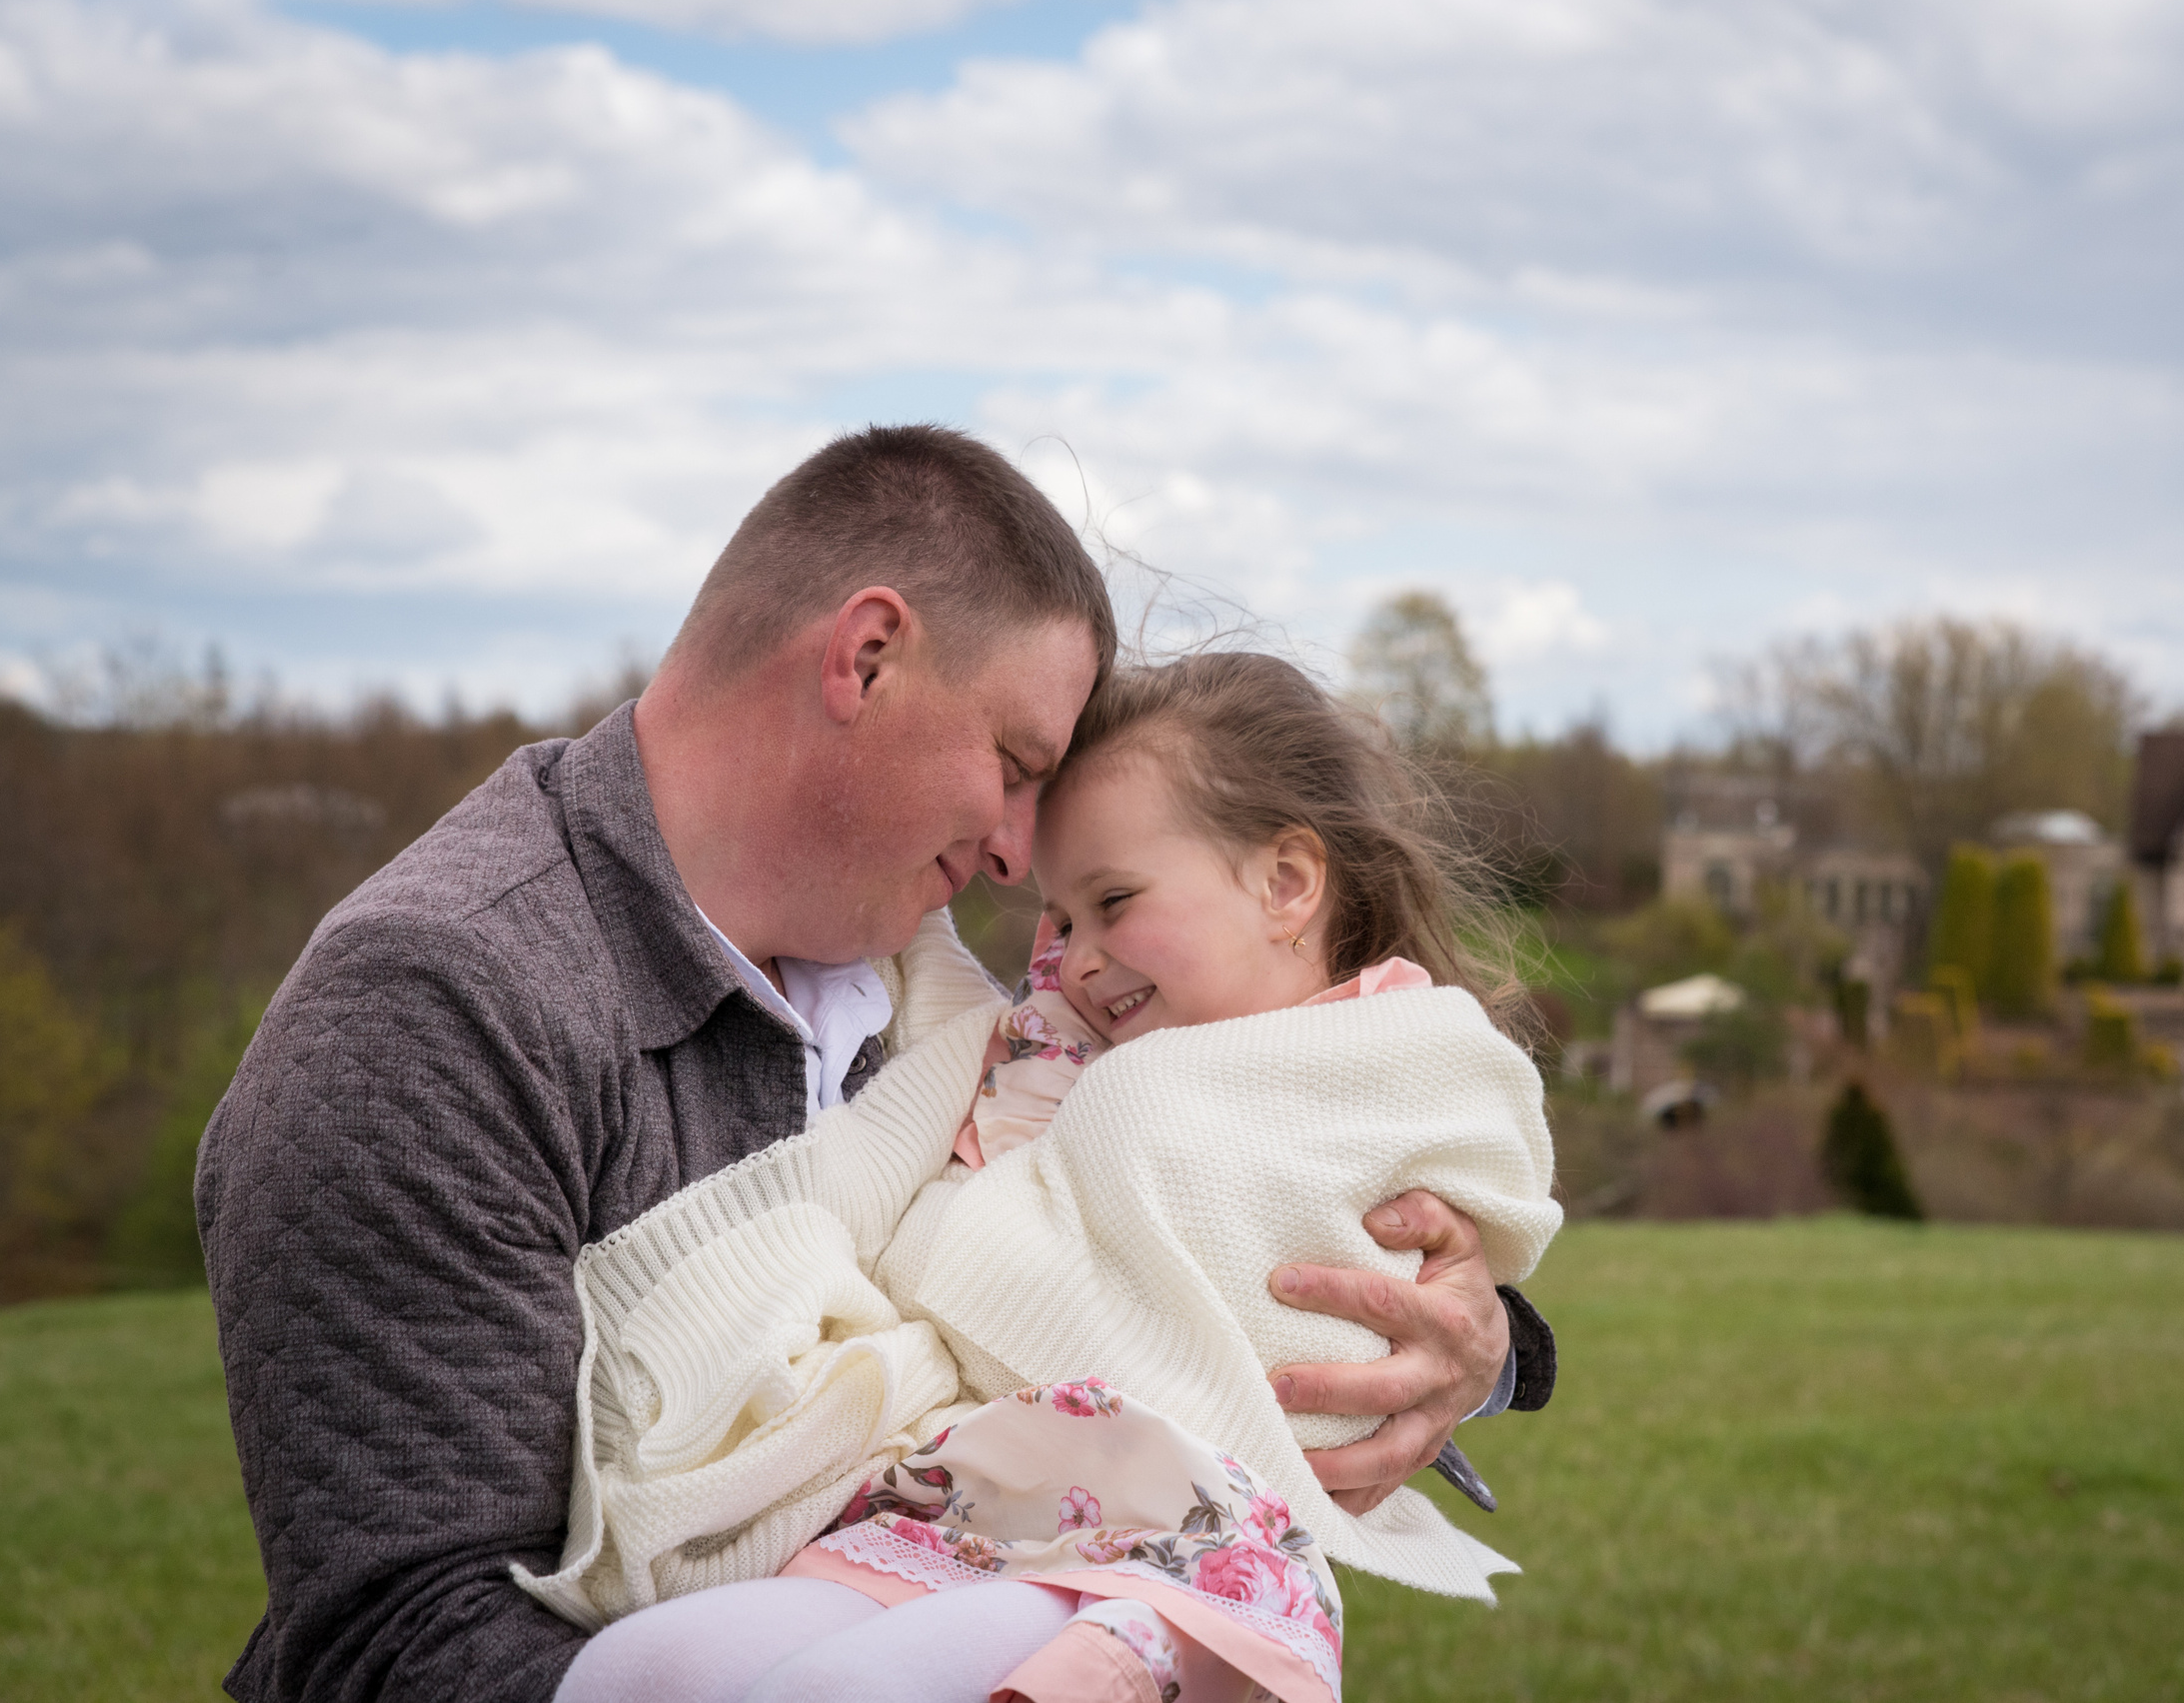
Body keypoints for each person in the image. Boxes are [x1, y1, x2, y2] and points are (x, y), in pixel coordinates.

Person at [195, 427, 1552, 1703]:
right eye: (1017, 763)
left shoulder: (940, 969)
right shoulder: (435, 1015)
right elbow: (393, 1641)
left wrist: (1476, 1342)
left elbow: (1206, 1208)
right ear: (866, 659)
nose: (1024, 859)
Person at [542, 651, 1561, 1703]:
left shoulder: (1399, 1049)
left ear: (1286, 883)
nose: (1075, 958)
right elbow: (949, 1198)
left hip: (1161, 1530)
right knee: (636, 1668)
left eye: (1113, 901)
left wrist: (1485, 1333)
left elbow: (1412, 1231)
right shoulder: (1051, 1053)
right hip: (971, 1493)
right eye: (1059, 919)